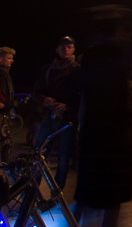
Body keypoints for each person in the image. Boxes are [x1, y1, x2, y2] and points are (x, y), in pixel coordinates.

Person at [74, 4, 132, 227]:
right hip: (113, 137)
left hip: (93, 135)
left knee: (87, 193)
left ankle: (75, 223)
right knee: (112, 197)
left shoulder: (89, 57)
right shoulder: (114, 55)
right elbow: (118, 99)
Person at [30, 36, 81, 189]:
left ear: (73, 49)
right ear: (57, 50)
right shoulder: (47, 70)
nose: (66, 49)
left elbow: (83, 96)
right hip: (49, 120)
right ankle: (33, 193)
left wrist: (67, 106)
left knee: (63, 159)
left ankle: (56, 195)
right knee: (38, 156)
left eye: (69, 46)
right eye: (63, 47)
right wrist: (44, 99)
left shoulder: (78, 70)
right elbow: (36, 93)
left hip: (68, 120)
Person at [0, 47, 16, 164]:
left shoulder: (5, 73)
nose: (12, 61)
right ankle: (7, 168)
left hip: (3, 114)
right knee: (7, 143)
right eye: (9, 58)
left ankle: (6, 168)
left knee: (7, 143)